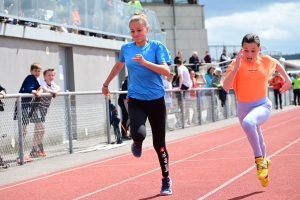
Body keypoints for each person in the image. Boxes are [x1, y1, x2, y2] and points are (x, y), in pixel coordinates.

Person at [102, 12, 172, 195]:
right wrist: (106, 84)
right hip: (136, 99)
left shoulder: (157, 47)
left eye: (139, 30)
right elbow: (118, 66)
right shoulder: (126, 48)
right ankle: (137, 143)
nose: (135, 34)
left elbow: (166, 71)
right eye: (132, 31)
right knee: (138, 133)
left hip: (156, 100)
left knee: (160, 145)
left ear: (147, 29)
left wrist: (146, 62)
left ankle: (166, 179)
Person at [223, 33, 291, 187]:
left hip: (262, 105)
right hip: (243, 107)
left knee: (249, 123)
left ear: (259, 49)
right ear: (241, 50)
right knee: (258, 136)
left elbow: (277, 64)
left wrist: (287, 80)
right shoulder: (235, 64)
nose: (249, 54)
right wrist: (235, 68)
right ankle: (265, 164)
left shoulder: (266, 61)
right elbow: (226, 87)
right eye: (245, 50)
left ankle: (259, 161)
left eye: (253, 50)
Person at [14, 62, 43, 164]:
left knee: (24, 131)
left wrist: (39, 91)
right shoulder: (31, 77)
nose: (37, 73)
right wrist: (36, 92)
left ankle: (21, 153)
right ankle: (20, 155)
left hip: (26, 107)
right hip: (22, 105)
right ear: (31, 71)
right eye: (35, 70)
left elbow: (40, 87)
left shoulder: (35, 80)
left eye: (39, 71)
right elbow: (28, 89)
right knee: (23, 130)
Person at [29, 68, 60, 158]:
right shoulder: (42, 82)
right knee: (41, 129)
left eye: (52, 75)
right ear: (44, 76)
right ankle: (36, 148)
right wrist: (53, 92)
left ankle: (36, 149)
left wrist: (55, 91)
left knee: (37, 130)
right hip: (37, 107)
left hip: (44, 109)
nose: (50, 77)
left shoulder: (53, 84)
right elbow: (44, 89)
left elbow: (59, 87)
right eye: (48, 75)